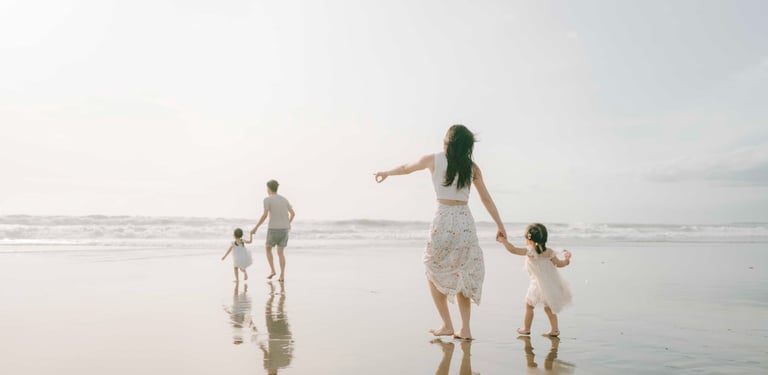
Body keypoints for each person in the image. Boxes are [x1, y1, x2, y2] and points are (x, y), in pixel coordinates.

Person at [374, 124, 507, 341]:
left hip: (443, 219)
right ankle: (465, 329)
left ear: (448, 141)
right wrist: (500, 225)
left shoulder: (433, 159)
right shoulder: (472, 167)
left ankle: (446, 324)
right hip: (465, 220)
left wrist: (387, 172)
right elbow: (486, 199)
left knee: (431, 267)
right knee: (463, 273)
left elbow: (407, 167)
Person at [498, 223, 573, 337]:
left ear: (530, 239)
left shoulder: (530, 251)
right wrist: (567, 260)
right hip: (550, 284)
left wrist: (503, 241)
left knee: (529, 305)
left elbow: (513, 250)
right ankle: (555, 330)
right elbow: (559, 264)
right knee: (549, 308)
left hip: (536, 285)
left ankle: (526, 328)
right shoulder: (549, 252)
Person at [251, 180, 295, 282]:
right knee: (281, 253)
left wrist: (256, 227)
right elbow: (293, 213)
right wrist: (288, 223)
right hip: (284, 230)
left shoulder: (267, 200)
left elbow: (265, 215)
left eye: (267, 188)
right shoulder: (284, 199)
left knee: (268, 249)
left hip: (273, 229)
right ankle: (282, 275)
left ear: (269, 188)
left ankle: (272, 270)